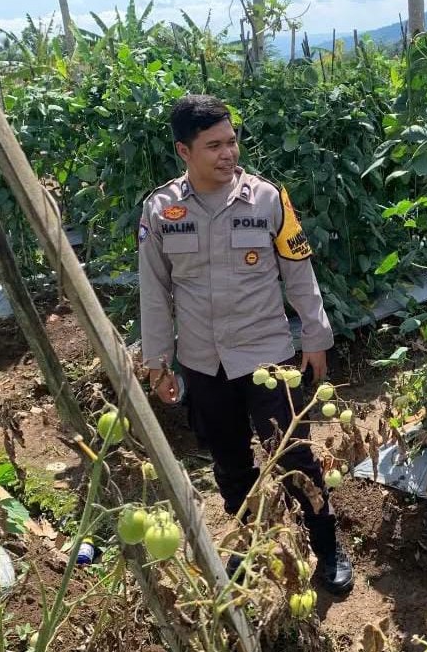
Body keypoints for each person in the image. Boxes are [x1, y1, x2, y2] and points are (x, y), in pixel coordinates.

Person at [137, 94, 354, 595]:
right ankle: (251, 542)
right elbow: (154, 291)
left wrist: (316, 337)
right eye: (213, 145)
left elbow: (299, 272)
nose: (227, 153)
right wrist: (157, 363)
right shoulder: (161, 211)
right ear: (183, 151)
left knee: (294, 454)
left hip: (267, 358)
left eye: (231, 141)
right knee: (230, 462)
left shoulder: (267, 199)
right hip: (201, 364)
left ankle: (326, 547)